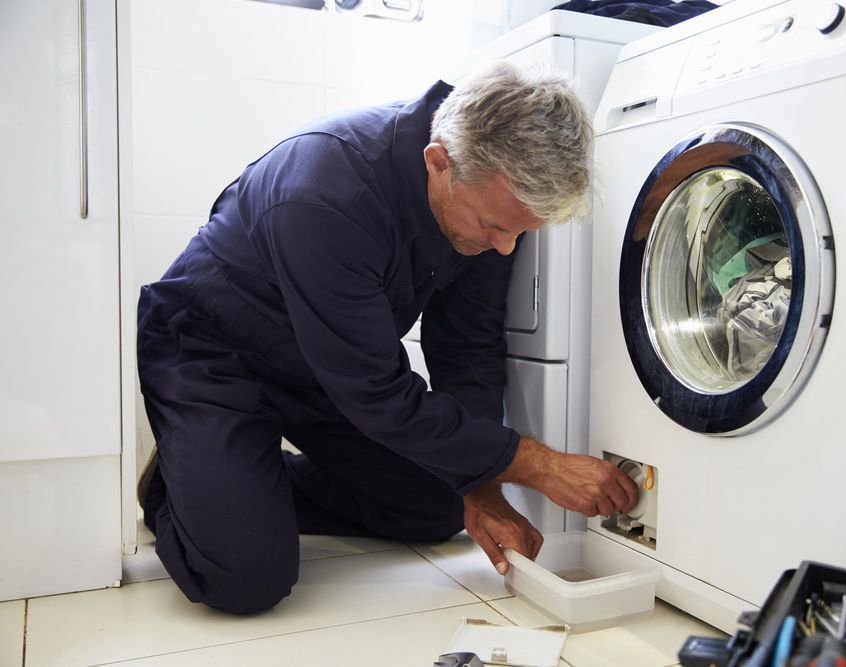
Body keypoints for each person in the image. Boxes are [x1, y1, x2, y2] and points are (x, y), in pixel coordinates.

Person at [136, 61, 638, 615]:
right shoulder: (326, 191)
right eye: (495, 227)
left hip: (323, 370)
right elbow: (376, 394)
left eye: (520, 231)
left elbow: (466, 346)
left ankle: (247, 481)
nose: (503, 247)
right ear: (439, 162)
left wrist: (483, 488)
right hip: (213, 354)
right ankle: (181, 483)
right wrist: (537, 464)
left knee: (438, 507)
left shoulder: (484, 202)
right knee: (244, 578)